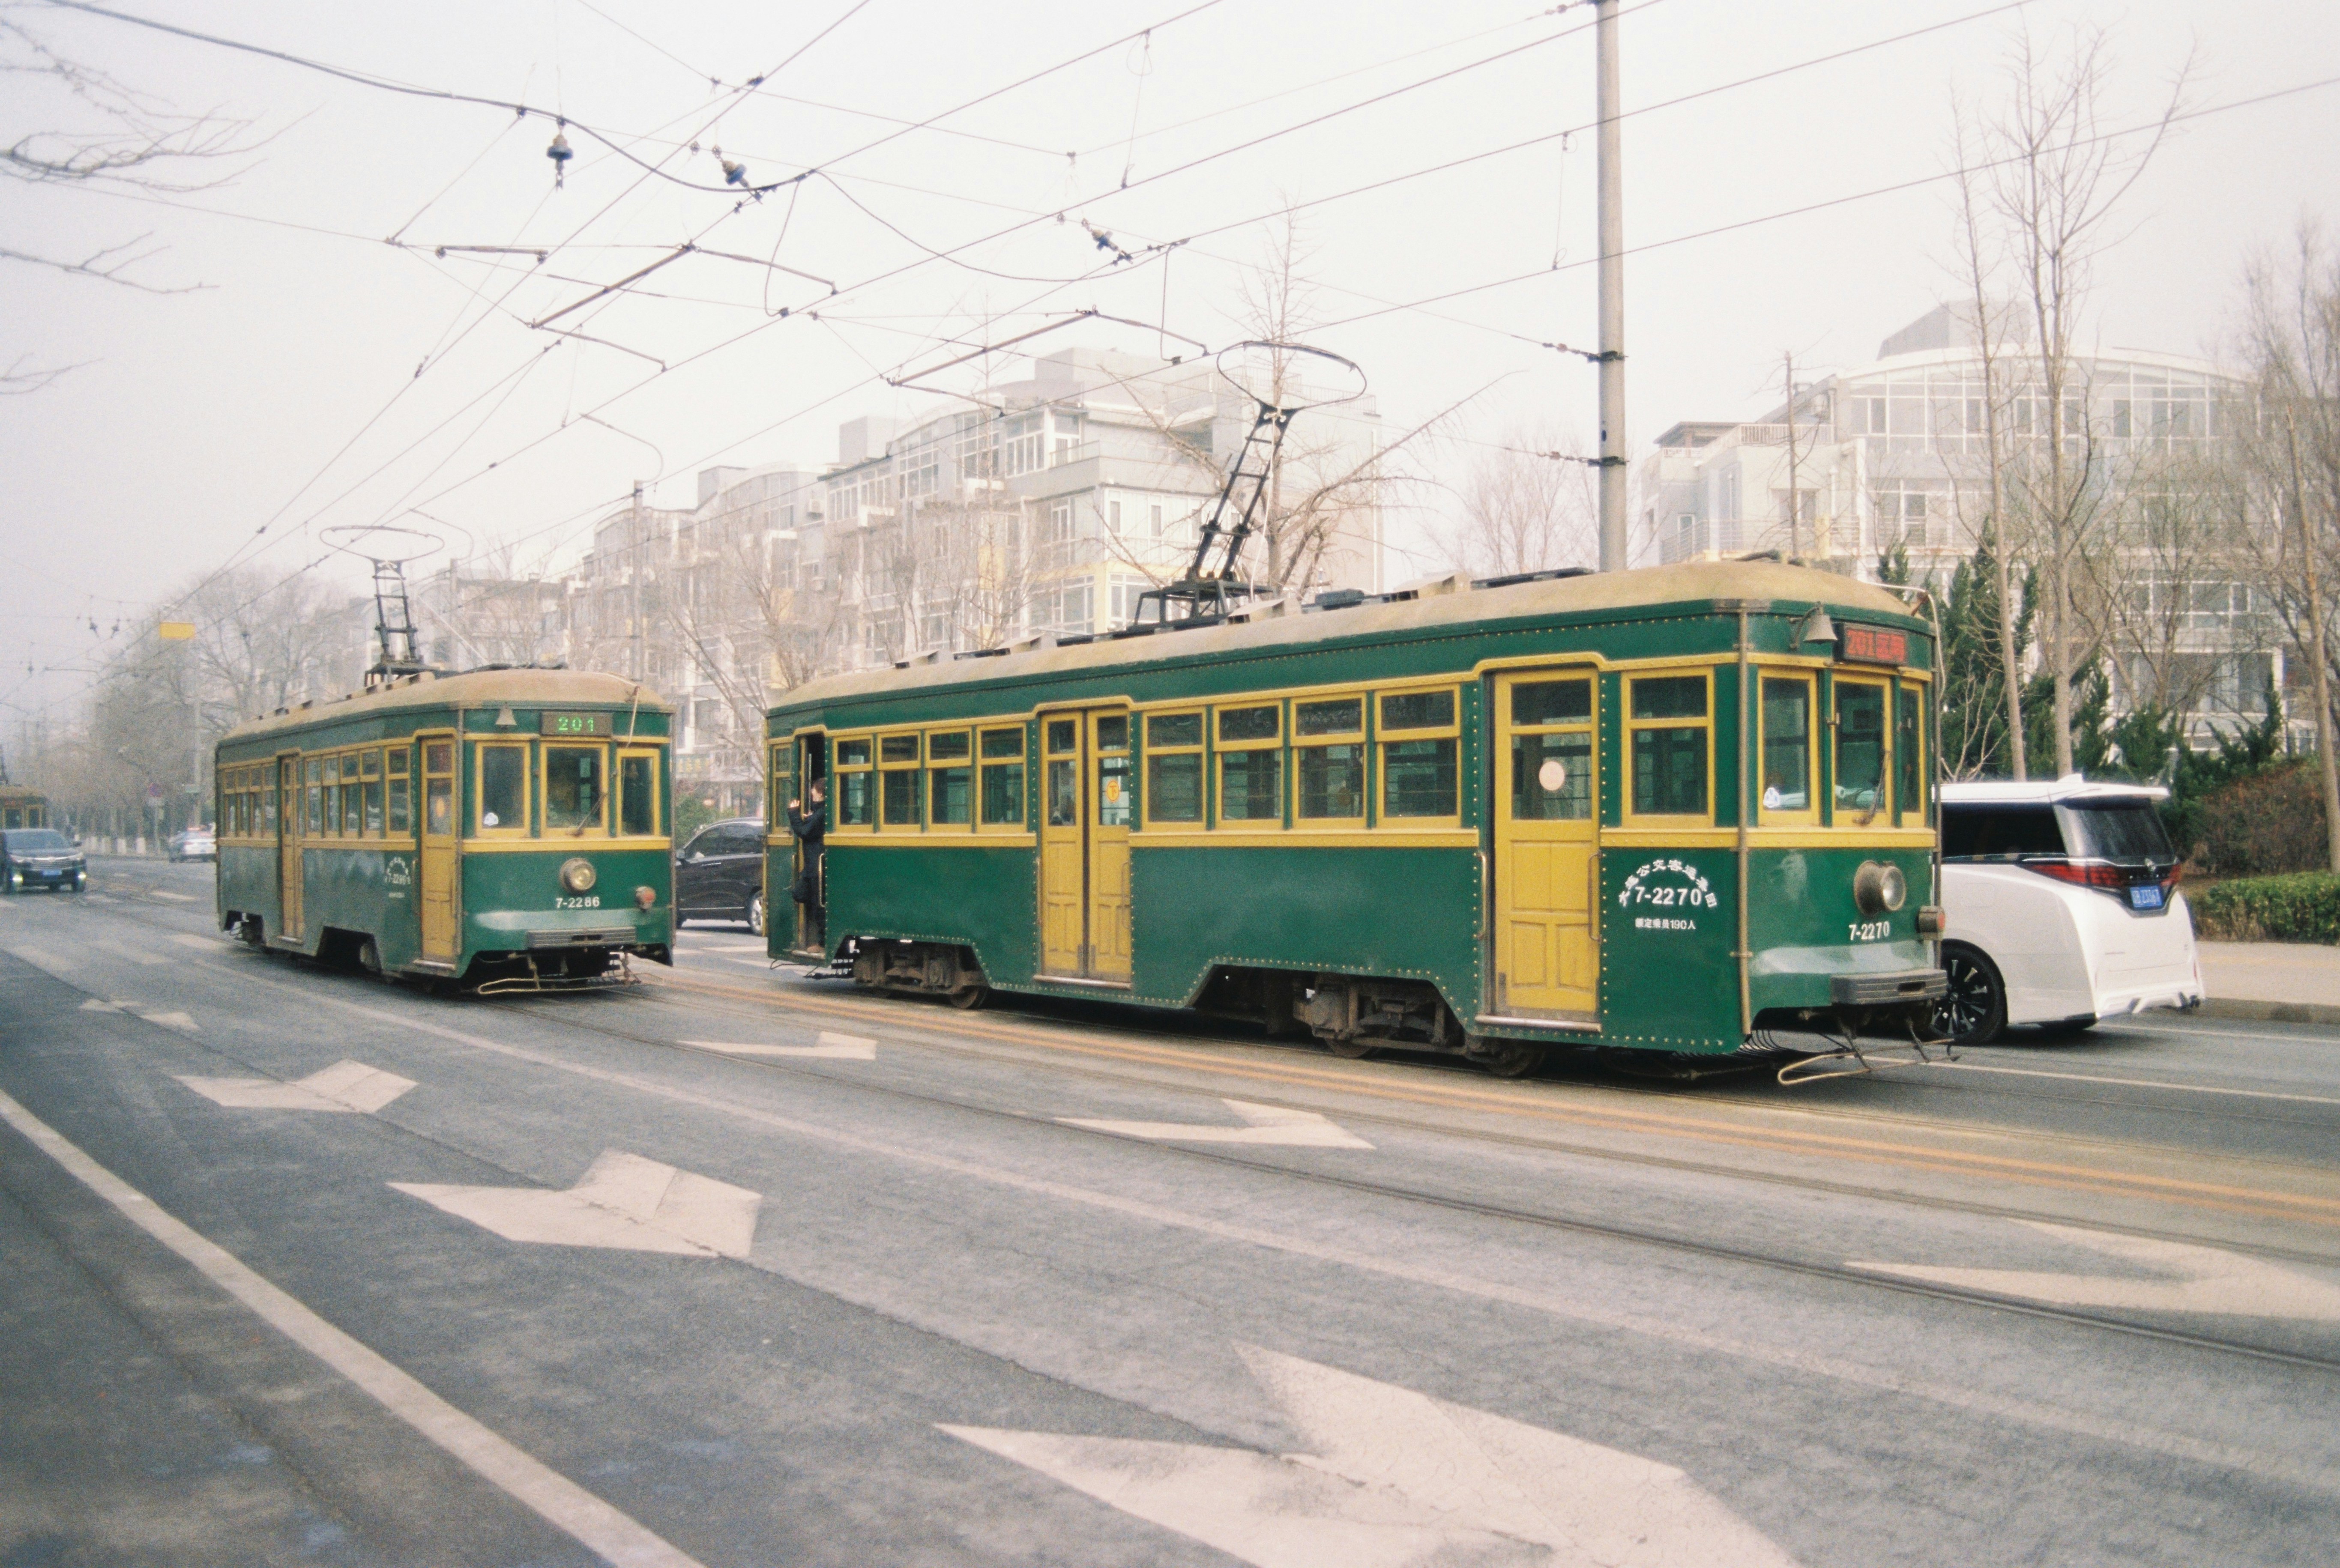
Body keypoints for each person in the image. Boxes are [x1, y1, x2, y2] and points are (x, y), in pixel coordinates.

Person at [785, 779, 826, 947]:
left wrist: (793, 813)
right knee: (800, 894)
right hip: (812, 866)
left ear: (821, 794)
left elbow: (804, 832)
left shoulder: (822, 813)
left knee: (819, 905)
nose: (811, 792)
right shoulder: (820, 813)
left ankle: (822, 942)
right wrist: (810, 818)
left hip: (817, 866)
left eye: (814, 791)